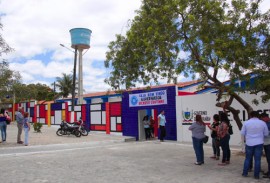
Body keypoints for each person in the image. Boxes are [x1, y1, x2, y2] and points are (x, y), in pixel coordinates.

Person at [241, 111, 269, 179]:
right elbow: (266, 134)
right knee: (257, 159)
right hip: (259, 143)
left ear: (250, 115)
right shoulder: (262, 123)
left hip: (249, 143)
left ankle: (245, 173)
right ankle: (256, 175)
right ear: (258, 116)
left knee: (247, 158)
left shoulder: (246, 123)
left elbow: (242, 133)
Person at [260, 113, 270, 178]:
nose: (262, 120)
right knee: (268, 159)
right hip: (266, 143)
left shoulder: (268, 124)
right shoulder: (265, 123)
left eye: (262, 119)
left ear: (266, 117)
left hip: (269, 143)